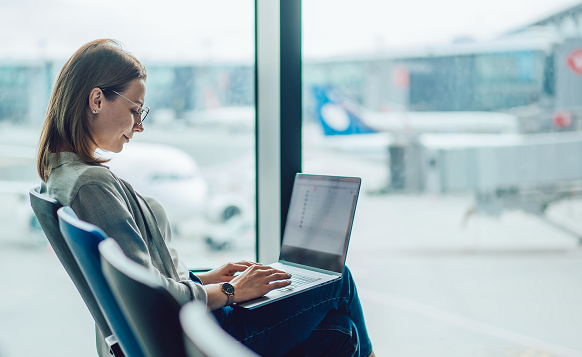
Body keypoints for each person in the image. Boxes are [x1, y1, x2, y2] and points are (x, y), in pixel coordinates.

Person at [36, 39, 375, 357]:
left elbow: (144, 281)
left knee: (342, 334)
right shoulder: (90, 186)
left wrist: (207, 280)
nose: (139, 125)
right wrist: (231, 292)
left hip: (167, 332)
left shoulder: (65, 177)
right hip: (193, 334)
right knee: (338, 278)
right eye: (135, 110)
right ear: (96, 100)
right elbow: (152, 297)